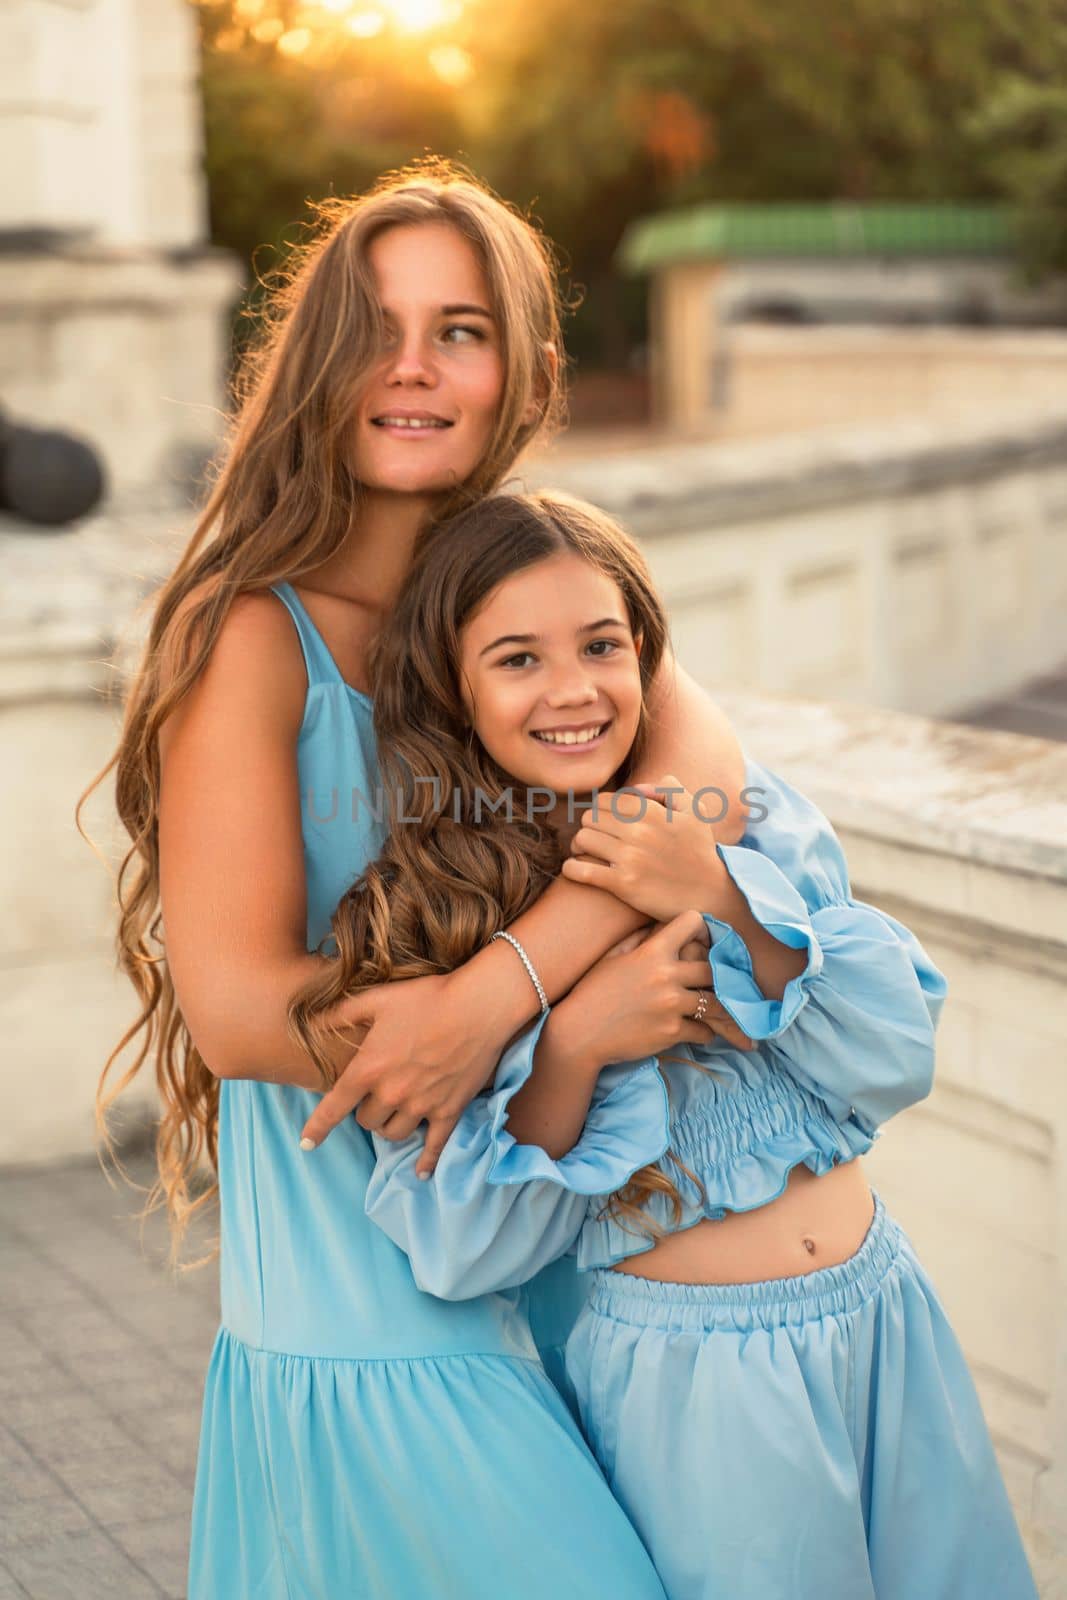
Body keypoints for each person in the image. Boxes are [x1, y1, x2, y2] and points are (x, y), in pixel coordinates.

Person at [82, 164, 751, 1597]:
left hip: (564, 1269)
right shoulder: (248, 635)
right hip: (370, 1318)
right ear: (315, 362)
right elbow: (237, 1009)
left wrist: (498, 993)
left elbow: (703, 789)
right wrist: (507, 1011)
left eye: (459, 328)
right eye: (374, 327)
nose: (410, 366)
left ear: (524, 367)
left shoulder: (526, 589)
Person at [293, 488, 1038, 1600]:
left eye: (602, 644)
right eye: (515, 659)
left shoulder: (746, 822)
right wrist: (574, 1046)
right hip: (701, 1384)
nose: (572, 688)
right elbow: (462, 1248)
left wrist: (722, 895)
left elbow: (892, 1057)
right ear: (451, 688)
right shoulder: (432, 919)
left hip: (886, 1315)